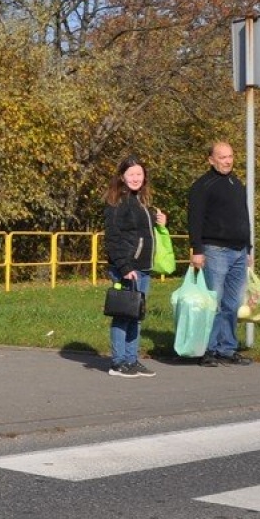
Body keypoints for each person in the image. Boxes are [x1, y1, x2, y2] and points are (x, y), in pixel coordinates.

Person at [187, 141, 253, 366]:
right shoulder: (203, 186)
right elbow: (194, 219)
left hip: (238, 251)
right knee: (212, 303)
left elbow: (243, 216)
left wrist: (248, 248)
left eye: (230, 156)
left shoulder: (236, 183)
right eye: (222, 157)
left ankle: (227, 348)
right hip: (215, 250)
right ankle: (207, 349)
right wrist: (197, 250)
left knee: (232, 304)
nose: (228, 161)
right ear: (211, 160)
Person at [103, 156, 165, 378]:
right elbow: (113, 238)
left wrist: (160, 223)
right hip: (128, 267)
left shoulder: (141, 201)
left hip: (143, 267)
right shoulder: (118, 202)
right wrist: (125, 266)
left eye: (139, 174)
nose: (136, 178)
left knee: (136, 314)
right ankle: (118, 362)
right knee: (123, 314)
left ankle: (132, 359)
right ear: (122, 177)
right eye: (131, 174)